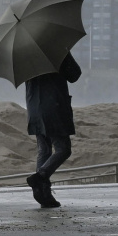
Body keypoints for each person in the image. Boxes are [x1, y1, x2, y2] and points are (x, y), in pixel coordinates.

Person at [24, 51, 82, 208]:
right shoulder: (56, 49)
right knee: (63, 149)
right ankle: (40, 177)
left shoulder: (24, 55)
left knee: (44, 151)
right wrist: (66, 53)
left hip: (34, 108)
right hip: (53, 107)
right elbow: (75, 74)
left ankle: (43, 194)